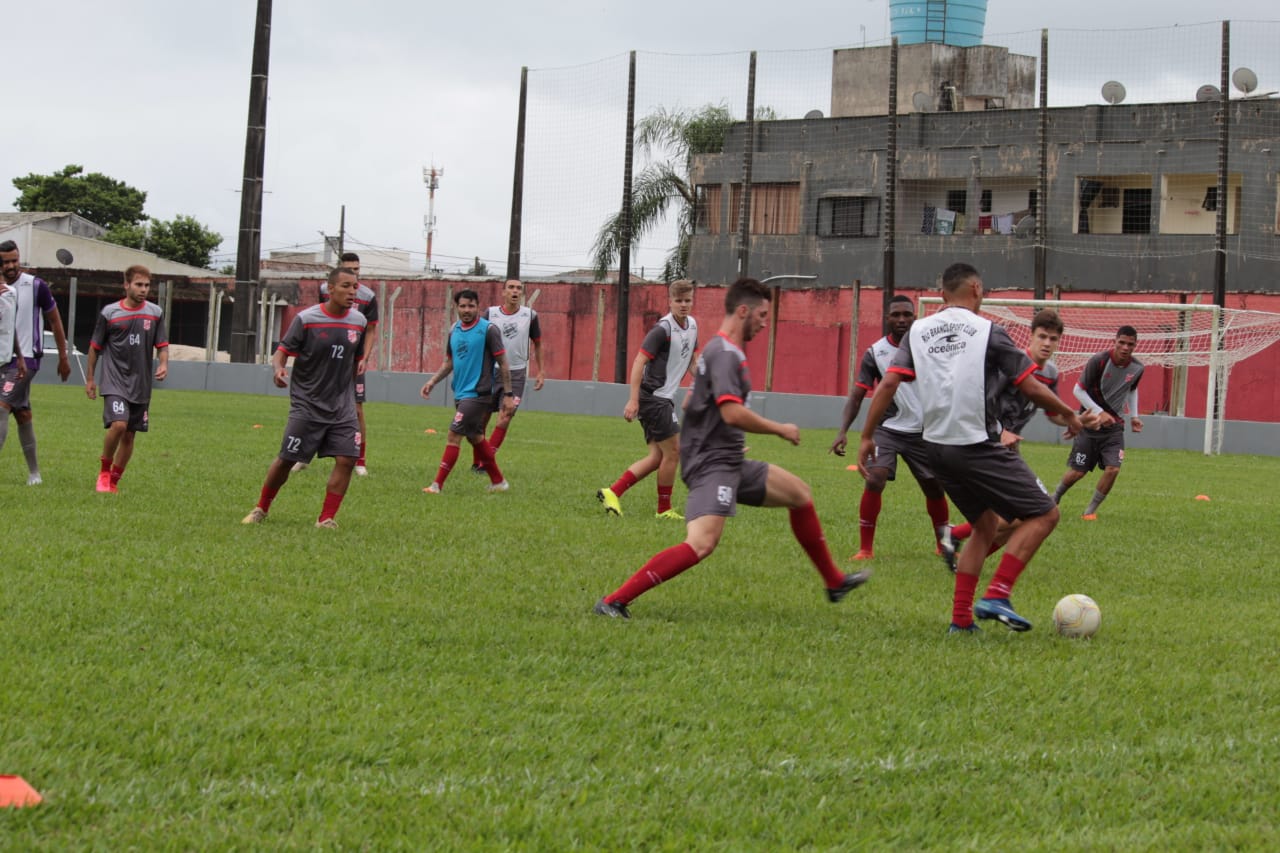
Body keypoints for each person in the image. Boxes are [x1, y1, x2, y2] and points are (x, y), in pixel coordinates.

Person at [593, 278, 870, 619]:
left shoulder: (715, 349)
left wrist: (718, 436)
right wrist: (779, 429)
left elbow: (694, 401)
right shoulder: (725, 354)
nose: (765, 323)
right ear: (743, 311)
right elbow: (730, 411)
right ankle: (614, 600)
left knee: (800, 494)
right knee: (701, 543)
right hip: (713, 466)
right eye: (762, 315)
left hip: (725, 458)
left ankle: (833, 582)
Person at [858, 263, 1083, 633]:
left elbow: (887, 385)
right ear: (977, 289)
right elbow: (1030, 386)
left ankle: (960, 621)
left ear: (942, 294)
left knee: (984, 526)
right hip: (976, 444)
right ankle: (998, 594)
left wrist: (867, 436)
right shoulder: (989, 331)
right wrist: (1069, 414)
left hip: (934, 448)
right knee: (1045, 514)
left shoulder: (918, 330)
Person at [940, 308, 1075, 562]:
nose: (1047, 343)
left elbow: (1051, 413)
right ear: (1031, 336)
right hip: (988, 445)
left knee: (1018, 518)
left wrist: (1076, 418)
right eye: (1042, 336)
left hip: (1010, 450)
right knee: (1032, 512)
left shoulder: (1051, 374)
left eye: (1053, 339)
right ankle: (955, 535)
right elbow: (983, 400)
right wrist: (1000, 432)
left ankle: (959, 545)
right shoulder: (1010, 365)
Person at [242, 266, 368, 528]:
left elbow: (354, 362)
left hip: (342, 405)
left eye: (355, 286)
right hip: (308, 403)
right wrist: (278, 369)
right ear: (330, 289)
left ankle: (326, 518)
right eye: (346, 286)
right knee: (287, 459)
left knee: (347, 459)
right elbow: (282, 351)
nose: (352, 291)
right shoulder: (306, 319)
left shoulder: (359, 321)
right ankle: (261, 508)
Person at [829, 294, 952, 562]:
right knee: (875, 478)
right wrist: (843, 432)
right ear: (887, 318)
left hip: (924, 430)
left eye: (907, 314)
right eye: (896, 315)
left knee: (934, 487)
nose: (901, 320)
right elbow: (858, 395)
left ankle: (942, 545)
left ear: (914, 317)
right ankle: (865, 549)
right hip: (888, 429)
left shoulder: (930, 347)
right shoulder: (876, 353)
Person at [596, 280, 698, 520]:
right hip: (654, 399)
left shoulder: (692, 326)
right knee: (674, 452)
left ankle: (613, 492)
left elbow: (691, 360)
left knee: (657, 457)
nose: (683, 305)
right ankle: (663, 509)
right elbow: (639, 361)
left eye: (688, 300)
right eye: (679, 301)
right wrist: (633, 401)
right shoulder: (662, 329)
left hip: (663, 399)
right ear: (669, 301)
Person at [84, 265, 169, 494]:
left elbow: (162, 345)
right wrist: (91, 379)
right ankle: (104, 471)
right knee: (119, 425)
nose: (143, 289)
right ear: (126, 285)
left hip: (141, 384)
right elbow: (94, 348)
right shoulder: (110, 313)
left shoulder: (155, 313)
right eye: (138, 285)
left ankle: (113, 481)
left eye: (146, 285)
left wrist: (163, 363)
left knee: (130, 435)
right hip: (114, 380)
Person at [293, 251, 379, 475]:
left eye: (357, 269)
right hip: (326, 360)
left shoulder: (368, 296)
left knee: (357, 409)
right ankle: (304, 456)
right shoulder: (325, 290)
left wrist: (364, 358)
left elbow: (370, 330)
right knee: (313, 405)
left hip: (351, 359)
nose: (354, 274)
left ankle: (360, 460)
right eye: (350, 269)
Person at [420, 289, 513, 494]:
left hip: (478, 394)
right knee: (476, 438)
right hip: (460, 394)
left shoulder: (489, 330)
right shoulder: (454, 331)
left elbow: (503, 363)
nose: (467, 310)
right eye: (463, 306)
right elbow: (450, 362)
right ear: (457, 307)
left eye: (471, 306)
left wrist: (508, 394)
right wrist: (433, 381)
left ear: (477, 306)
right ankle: (499, 481)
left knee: (454, 434)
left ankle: (437, 485)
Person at [1051, 326, 1145, 519]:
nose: (1126, 347)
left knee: (1113, 469)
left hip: (1114, 428)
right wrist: (1099, 412)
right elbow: (1078, 390)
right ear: (1115, 341)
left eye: (1130, 344)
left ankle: (1090, 511)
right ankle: (1054, 498)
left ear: (1135, 345)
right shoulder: (1099, 361)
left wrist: (1134, 416)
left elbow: (1132, 389)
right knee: (1078, 472)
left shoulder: (1137, 368)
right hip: (1090, 426)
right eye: (1122, 342)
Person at [0, 240, 72, 485]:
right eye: (6, 261)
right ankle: (35, 474)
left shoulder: (35, 285)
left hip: (26, 361)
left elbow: (55, 321)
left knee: (1, 407)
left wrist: (64, 356)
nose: (11, 265)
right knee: (23, 414)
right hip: (2, 359)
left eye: (14, 260)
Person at [471, 278, 545, 473]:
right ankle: (476, 460)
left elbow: (537, 343)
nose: (515, 291)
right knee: (482, 418)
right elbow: (480, 342)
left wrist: (541, 371)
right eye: (511, 288)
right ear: (503, 292)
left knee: (506, 415)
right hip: (490, 372)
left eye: (519, 288)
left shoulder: (530, 315)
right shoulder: (491, 314)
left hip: (517, 374)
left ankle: (486, 463)